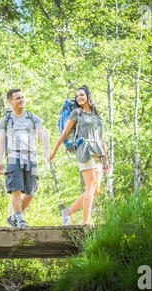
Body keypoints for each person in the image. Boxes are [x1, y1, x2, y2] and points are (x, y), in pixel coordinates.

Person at [47, 85, 109, 226]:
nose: (79, 97)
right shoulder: (76, 113)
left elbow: (101, 138)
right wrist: (53, 152)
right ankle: (85, 223)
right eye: (77, 96)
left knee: (96, 189)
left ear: (88, 96)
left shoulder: (95, 114)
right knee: (90, 188)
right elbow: (64, 134)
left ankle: (67, 212)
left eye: (82, 95)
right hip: (85, 149)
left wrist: (106, 158)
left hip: (98, 152)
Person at [0, 89, 49, 227]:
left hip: (30, 156)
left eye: (22, 97)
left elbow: (41, 134)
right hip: (13, 156)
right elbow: (0, 141)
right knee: (16, 188)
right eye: (18, 98)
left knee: (31, 191)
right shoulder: (5, 121)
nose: (21, 100)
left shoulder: (33, 118)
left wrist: (46, 151)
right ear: (11, 101)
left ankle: (13, 217)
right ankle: (20, 219)